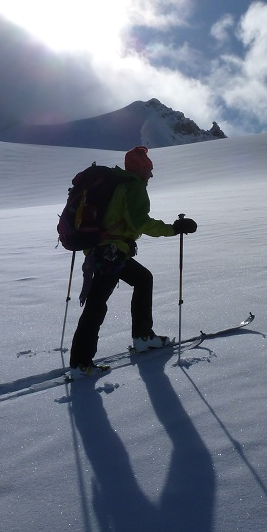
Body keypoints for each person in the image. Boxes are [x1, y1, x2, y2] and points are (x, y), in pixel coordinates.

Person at [69, 145, 197, 375]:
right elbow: (140, 222)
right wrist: (173, 228)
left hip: (100, 250)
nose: (151, 174)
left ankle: (143, 336)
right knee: (97, 303)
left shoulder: (118, 182)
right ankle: (81, 362)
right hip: (111, 251)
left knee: (142, 279)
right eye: (149, 170)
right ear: (141, 169)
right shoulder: (133, 187)